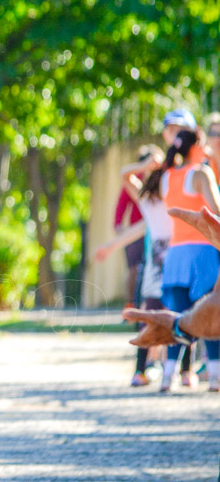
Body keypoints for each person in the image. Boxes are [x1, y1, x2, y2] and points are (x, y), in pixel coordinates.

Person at [94, 145, 170, 386]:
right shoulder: (147, 200)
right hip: (153, 266)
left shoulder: (171, 195)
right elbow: (137, 229)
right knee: (149, 313)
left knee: (173, 314)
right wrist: (110, 246)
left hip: (175, 263)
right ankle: (144, 367)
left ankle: (169, 367)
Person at [157, 128, 220, 392]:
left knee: (178, 317)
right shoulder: (201, 173)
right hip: (203, 252)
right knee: (211, 314)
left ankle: (168, 376)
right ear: (196, 146)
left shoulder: (167, 177)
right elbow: (216, 213)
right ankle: (216, 377)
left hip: (176, 255)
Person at [112, 173, 144, 309]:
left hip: (154, 232)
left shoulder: (160, 178)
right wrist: (118, 225)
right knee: (133, 269)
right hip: (134, 233)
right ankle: (130, 304)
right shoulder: (135, 180)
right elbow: (122, 203)